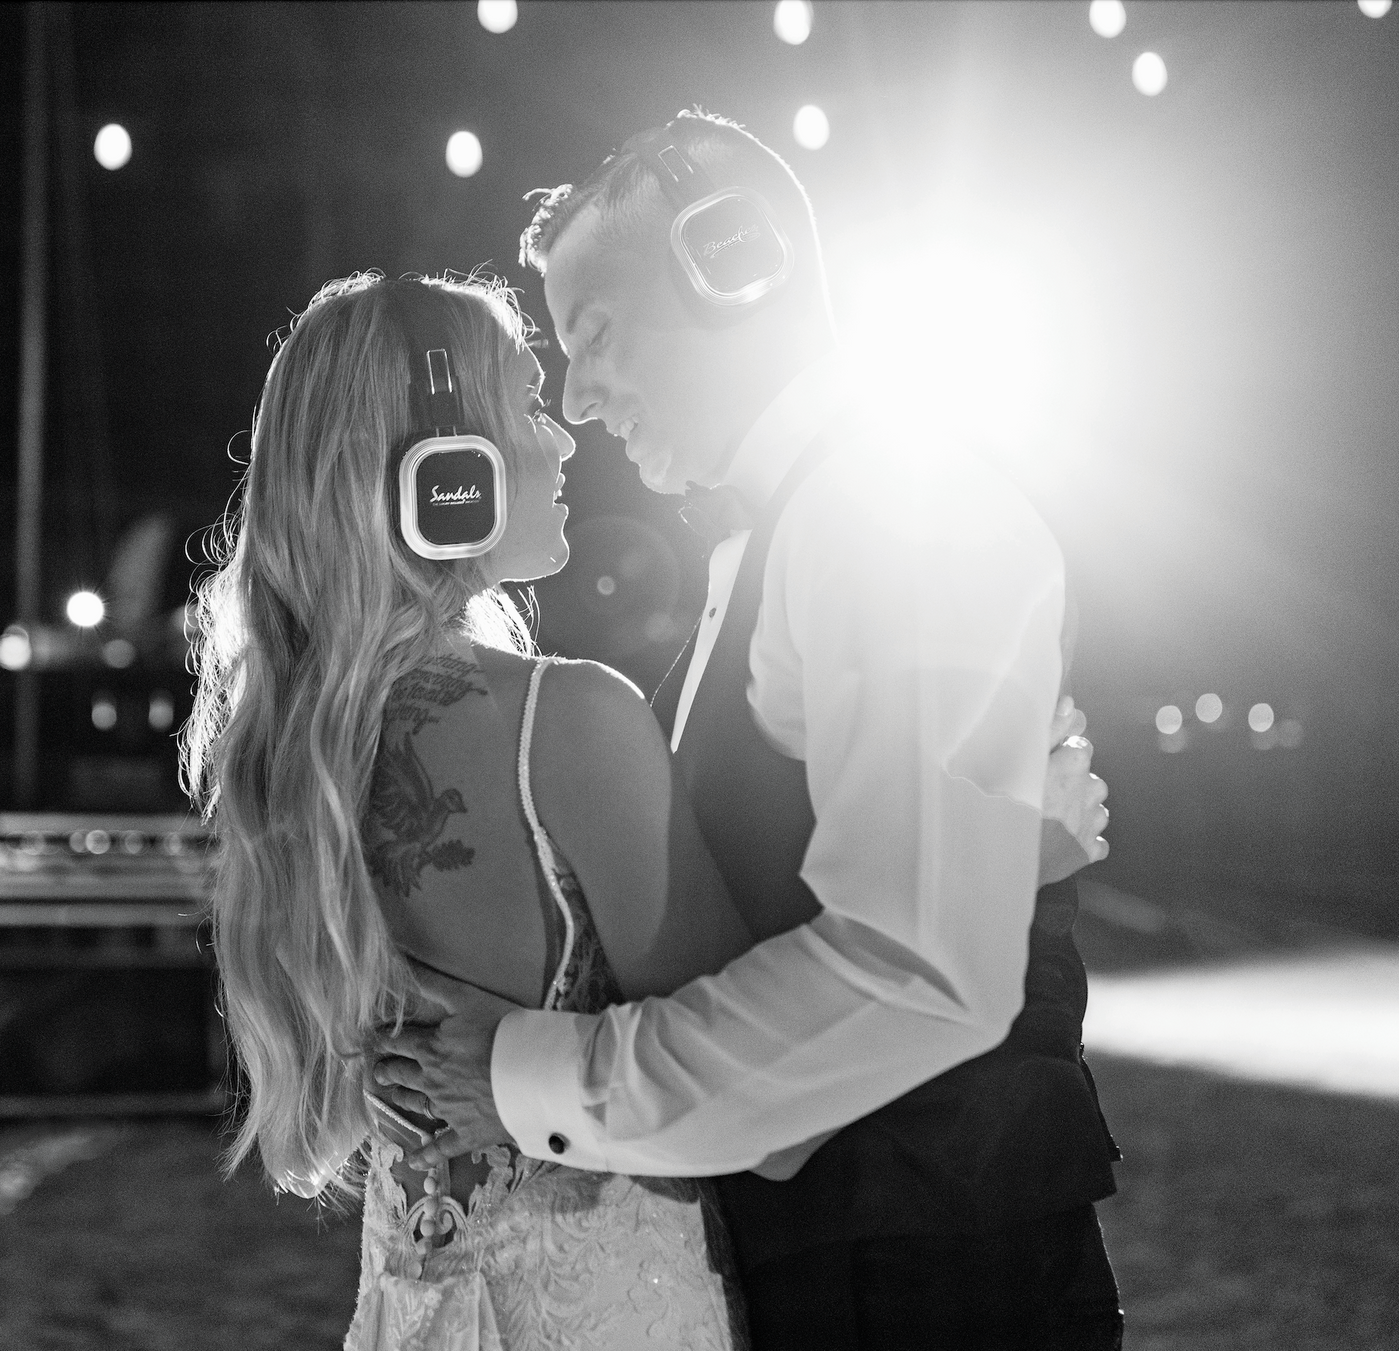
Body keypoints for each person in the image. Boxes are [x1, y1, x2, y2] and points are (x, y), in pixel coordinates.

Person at [370, 111, 1125, 1350]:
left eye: (598, 336)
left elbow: (917, 970)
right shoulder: (788, 533)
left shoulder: (890, 509)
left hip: (935, 1273)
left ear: (734, 265)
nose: (582, 394)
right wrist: (1006, 859)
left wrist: (525, 1075)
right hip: (855, 1261)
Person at [183, 271, 756, 1348]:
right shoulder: (569, 725)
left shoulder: (284, 752)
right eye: (529, 403)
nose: (564, 439)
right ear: (447, 477)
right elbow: (749, 1078)